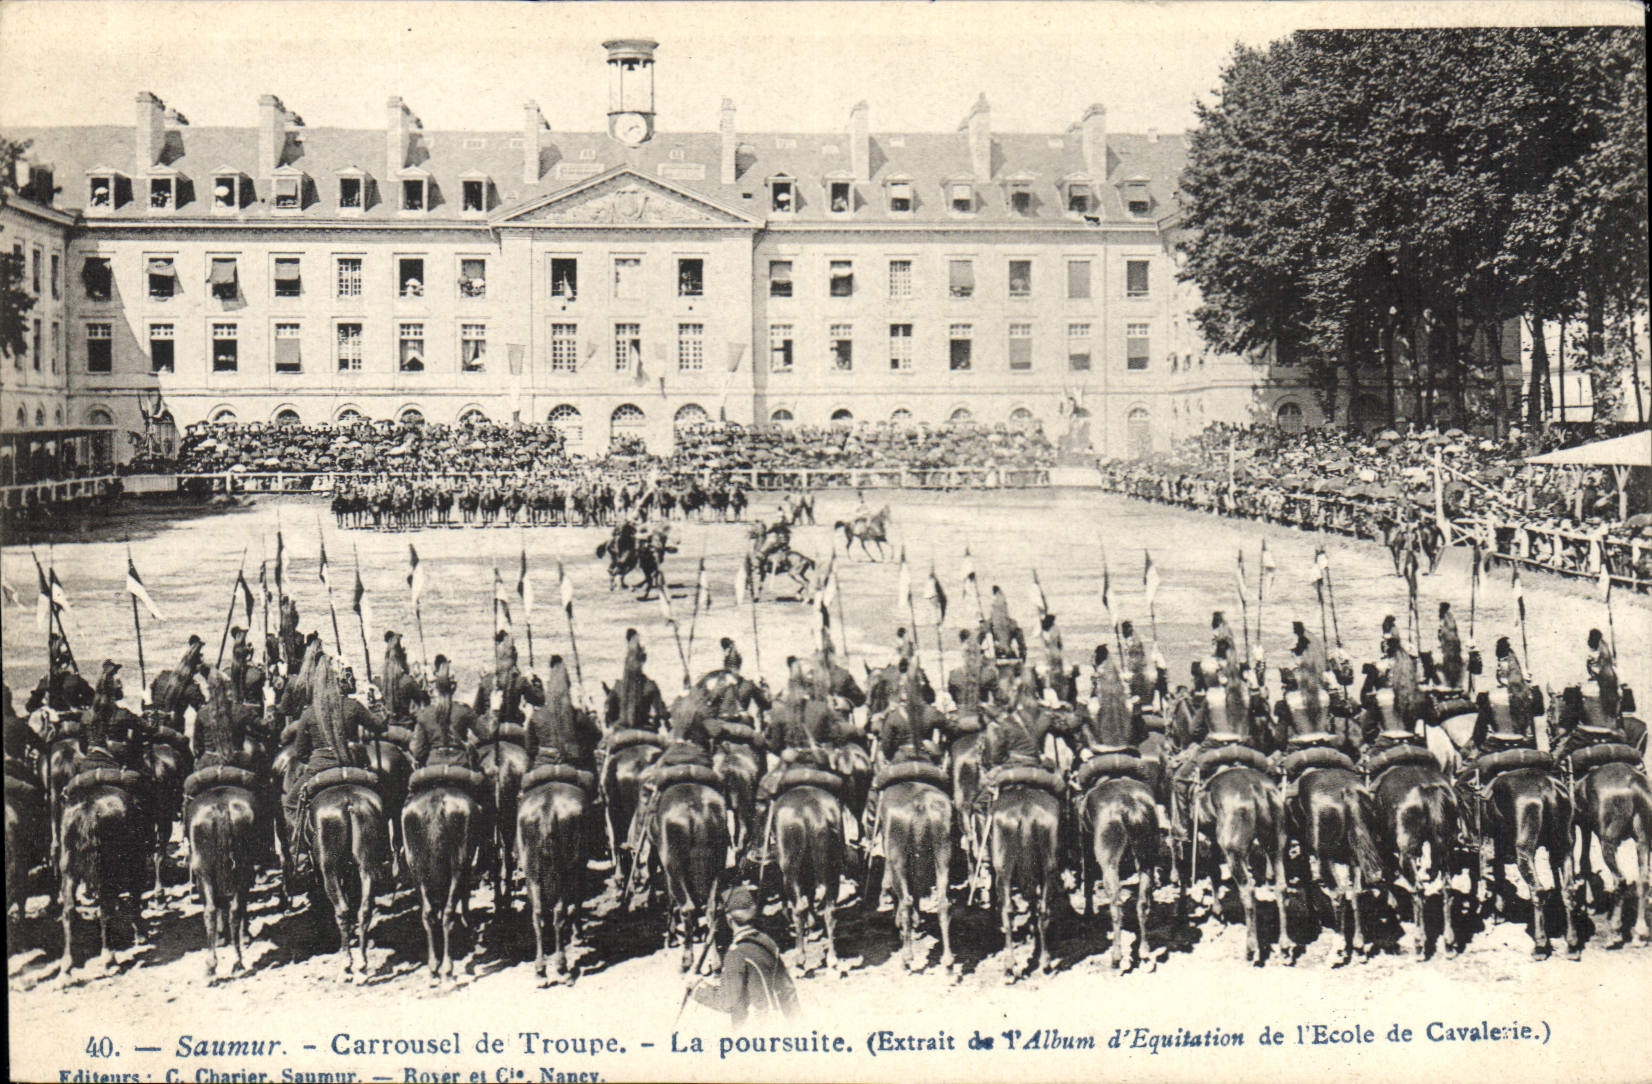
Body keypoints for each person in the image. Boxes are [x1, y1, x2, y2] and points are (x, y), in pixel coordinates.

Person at [686, 885, 799, 1027]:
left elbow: (726, 1002)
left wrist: (697, 988)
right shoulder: (768, 941)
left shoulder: (736, 953)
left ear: (729, 920)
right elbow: (789, 990)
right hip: (780, 1023)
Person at [523, 656, 602, 772]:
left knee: (525, 783)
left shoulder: (537, 716)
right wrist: (591, 711)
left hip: (543, 766)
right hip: (573, 766)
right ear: (568, 687)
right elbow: (597, 736)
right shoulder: (577, 715)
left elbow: (529, 749)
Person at [410, 656, 481, 769]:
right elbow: (484, 734)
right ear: (453, 688)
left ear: (434, 688)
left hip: (433, 765)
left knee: (412, 784)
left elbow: (418, 753)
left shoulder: (425, 714)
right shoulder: (463, 711)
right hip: (460, 764)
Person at [1586, 628, 1619, 721]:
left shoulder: (1602, 648)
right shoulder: (1604, 645)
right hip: (1608, 676)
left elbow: (1600, 664)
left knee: (1607, 700)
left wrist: (1591, 666)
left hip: (1606, 677)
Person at [1436, 602, 1464, 690]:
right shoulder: (1447, 617)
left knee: (1450, 663)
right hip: (1449, 645)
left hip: (1450, 645)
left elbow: (1449, 631)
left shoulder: (1448, 618)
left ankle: (1452, 682)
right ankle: (1451, 682)